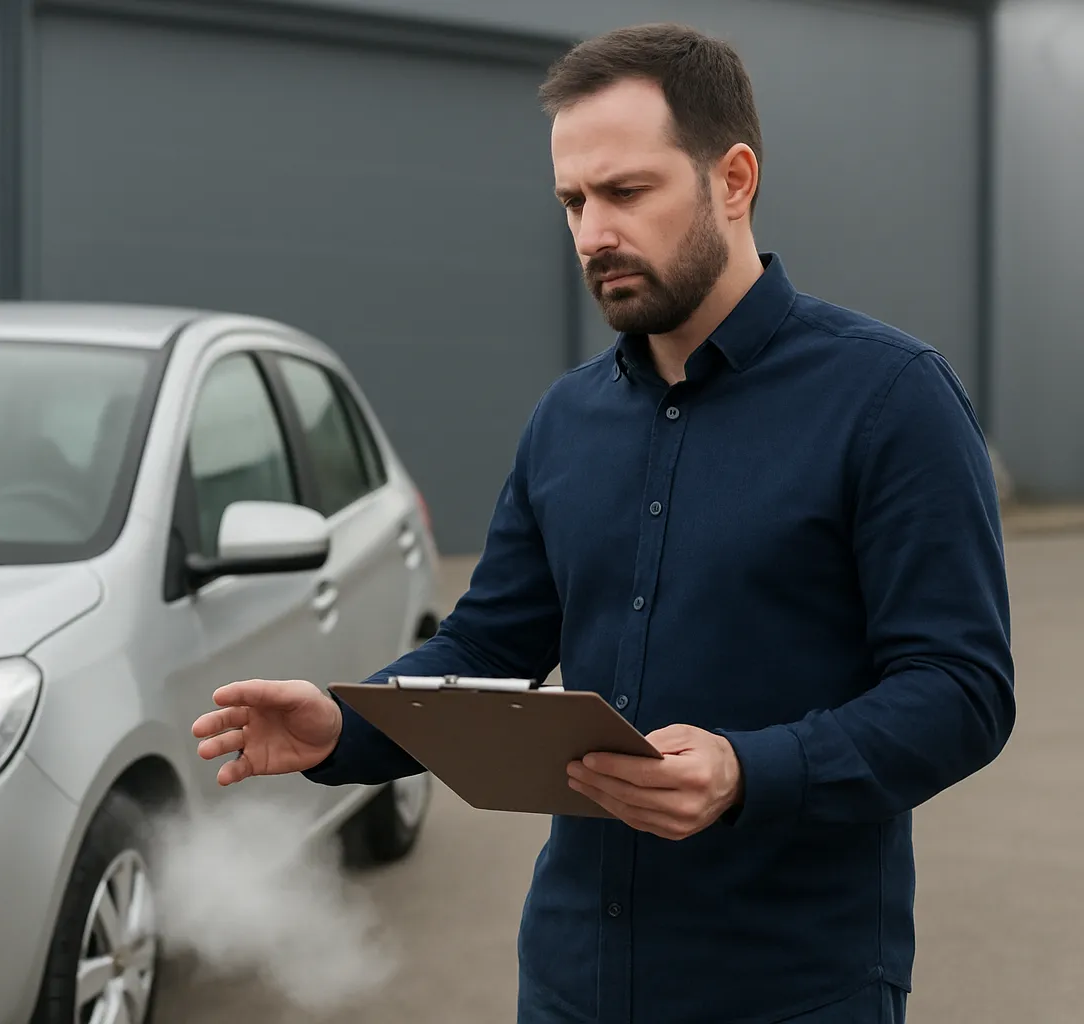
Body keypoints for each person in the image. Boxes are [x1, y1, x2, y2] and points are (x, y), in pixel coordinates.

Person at [190, 21, 1015, 1024]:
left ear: (734, 178)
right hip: (574, 981)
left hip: (794, 990)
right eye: (573, 201)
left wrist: (749, 770)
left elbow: (962, 690)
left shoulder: (890, 399)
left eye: (625, 192)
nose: (590, 233)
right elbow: (490, 646)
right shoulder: (565, 420)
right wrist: (347, 723)